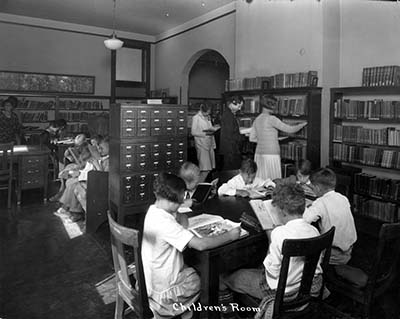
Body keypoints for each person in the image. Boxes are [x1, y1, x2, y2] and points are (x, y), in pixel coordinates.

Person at [141, 172, 241, 318]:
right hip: (163, 295)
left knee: (192, 266)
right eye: (181, 201)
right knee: (208, 278)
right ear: (171, 201)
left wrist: (176, 212)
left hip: (151, 282)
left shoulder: (154, 211)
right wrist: (230, 235)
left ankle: (186, 311)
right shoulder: (165, 223)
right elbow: (200, 245)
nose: (182, 204)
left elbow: (183, 221)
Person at [219, 183, 323, 319]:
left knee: (222, 278)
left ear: (282, 211)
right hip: (305, 287)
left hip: (282, 291)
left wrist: (270, 240)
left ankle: (229, 315)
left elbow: (272, 272)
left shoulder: (279, 234)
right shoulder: (314, 231)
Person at [303, 168, 357, 265]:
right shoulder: (343, 198)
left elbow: (305, 219)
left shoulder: (320, 202)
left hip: (332, 255)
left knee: (304, 252)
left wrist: (305, 207)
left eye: (313, 187)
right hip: (349, 251)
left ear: (318, 188)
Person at [249, 94, 307, 180]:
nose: (275, 108)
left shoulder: (257, 119)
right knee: (273, 180)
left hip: (259, 154)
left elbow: (251, 138)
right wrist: (302, 124)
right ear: (271, 106)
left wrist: (264, 140)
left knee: (260, 180)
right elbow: (290, 129)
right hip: (271, 154)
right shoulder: (272, 119)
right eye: (274, 106)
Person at [191, 103, 218, 182]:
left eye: (209, 112)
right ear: (202, 110)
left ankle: (202, 185)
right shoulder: (196, 118)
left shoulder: (208, 117)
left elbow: (210, 128)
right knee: (205, 169)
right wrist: (205, 133)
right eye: (207, 112)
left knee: (209, 168)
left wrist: (214, 128)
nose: (208, 114)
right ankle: (198, 186)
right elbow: (193, 132)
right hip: (201, 145)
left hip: (209, 144)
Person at [219, 95, 244, 170]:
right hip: (231, 149)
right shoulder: (228, 116)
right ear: (232, 104)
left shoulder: (228, 114)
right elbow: (230, 134)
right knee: (231, 171)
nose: (239, 109)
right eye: (238, 106)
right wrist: (241, 136)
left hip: (230, 148)